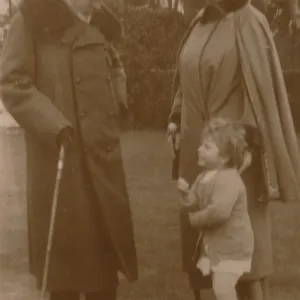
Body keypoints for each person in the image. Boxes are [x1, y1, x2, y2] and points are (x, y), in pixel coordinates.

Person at [0, 0, 137, 299]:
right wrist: (53, 124)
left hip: (103, 161)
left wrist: (117, 104)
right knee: (67, 274)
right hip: (62, 158)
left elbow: (115, 65)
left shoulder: (100, 22)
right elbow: (13, 83)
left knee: (104, 270)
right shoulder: (31, 19)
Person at [167, 0, 300, 299]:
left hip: (234, 162)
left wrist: (236, 145)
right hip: (197, 153)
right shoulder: (199, 22)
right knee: (202, 262)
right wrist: (176, 116)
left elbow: (261, 90)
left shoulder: (248, 21)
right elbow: (185, 81)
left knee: (242, 263)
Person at [177, 118, 254, 300]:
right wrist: (186, 194)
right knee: (220, 288)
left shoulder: (228, 179)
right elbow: (194, 201)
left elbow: (219, 213)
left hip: (232, 246)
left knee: (222, 289)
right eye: (201, 145)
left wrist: (195, 220)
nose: (199, 150)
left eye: (207, 147)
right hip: (218, 246)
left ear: (224, 157)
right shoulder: (203, 176)